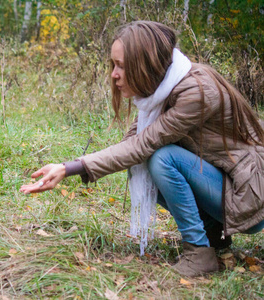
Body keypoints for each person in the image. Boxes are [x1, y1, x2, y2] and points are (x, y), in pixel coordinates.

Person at [20, 21, 264, 277]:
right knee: (147, 164)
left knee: (161, 159)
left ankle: (199, 252)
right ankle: (215, 238)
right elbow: (131, 145)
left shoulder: (196, 92)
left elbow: (143, 145)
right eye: (113, 65)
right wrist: (67, 166)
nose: (114, 74)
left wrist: (70, 168)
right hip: (228, 186)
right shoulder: (162, 91)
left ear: (146, 65)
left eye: (122, 66)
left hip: (249, 196)